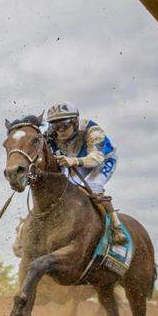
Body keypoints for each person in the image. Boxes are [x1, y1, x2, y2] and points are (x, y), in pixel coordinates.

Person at [45, 102, 126, 245]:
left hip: (102, 160)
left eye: (64, 125)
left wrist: (74, 161)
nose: (60, 131)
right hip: (74, 159)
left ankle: (116, 226)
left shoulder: (93, 130)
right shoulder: (50, 135)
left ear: (75, 122)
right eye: (55, 126)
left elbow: (96, 158)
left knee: (93, 186)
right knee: (67, 189)